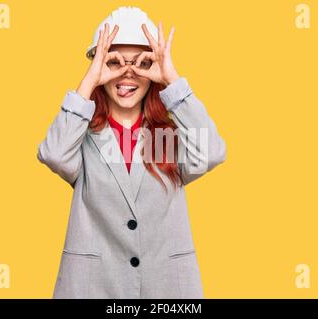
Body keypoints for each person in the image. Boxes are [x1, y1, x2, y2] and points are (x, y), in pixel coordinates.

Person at [37, 6, 226, 298]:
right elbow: (54, 154)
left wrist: (171, 79)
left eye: (141, 62)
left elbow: (212, 152)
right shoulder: (81, 138)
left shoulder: (166, 138)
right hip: (95, 289)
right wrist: (88, 80)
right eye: (114, 62)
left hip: (164, 292)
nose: (128, 73)